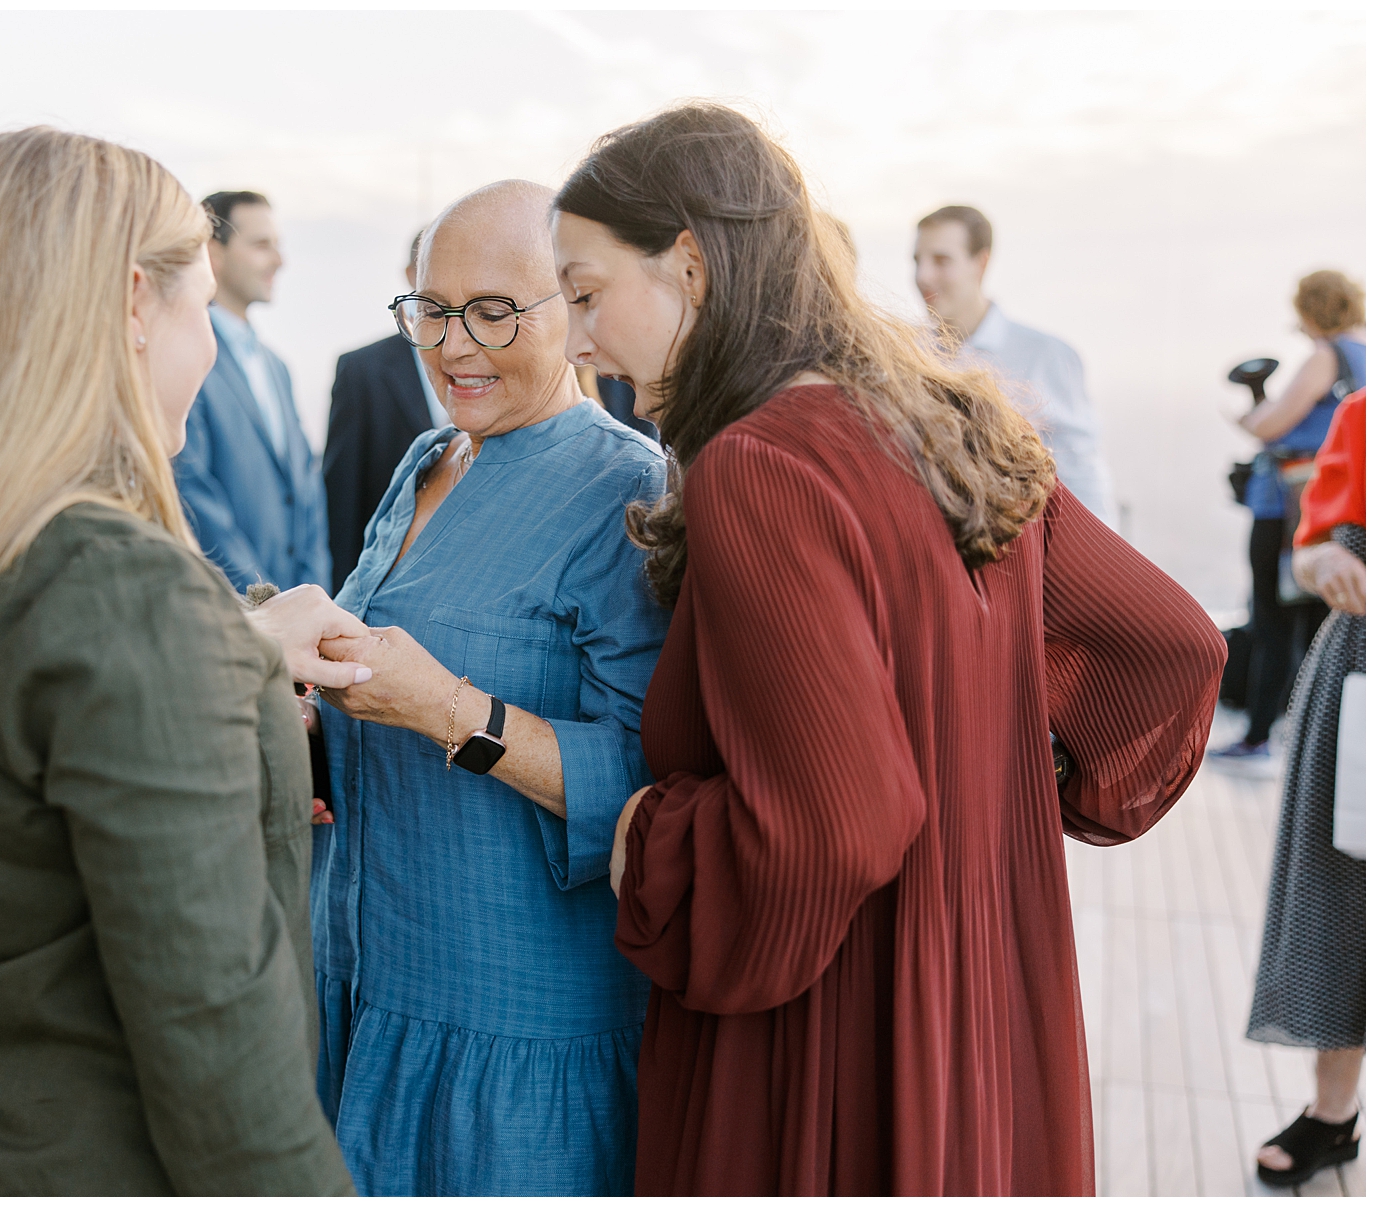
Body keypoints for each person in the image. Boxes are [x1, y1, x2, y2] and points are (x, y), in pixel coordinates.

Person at [552, 103, 1226, 1195]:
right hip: (991, 996)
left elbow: (839, 817)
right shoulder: (947, 422)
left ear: (689, 264)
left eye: (585, 294)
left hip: (834, 1028)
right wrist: (1002, 781)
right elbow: (1173, 644)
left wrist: (651, 834)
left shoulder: (759, 468)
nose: (577, 340)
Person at [0, 128, 353, 1195]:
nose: (214, 350)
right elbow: (222, 1058)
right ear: (137, 303)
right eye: (202, 312)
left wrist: (232, 653)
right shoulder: (131, 601)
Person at [273, 180, 668, 1195]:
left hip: (511, 1033)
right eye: (431, 308)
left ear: (575, 314)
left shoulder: (630, 491)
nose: (452, 345)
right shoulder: (425, 457)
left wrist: (441, 706)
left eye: (493, 311)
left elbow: (649, 785)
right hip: (362, 985)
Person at [1247, 386, 1365, 1187]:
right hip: (1364, 675)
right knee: (1343, 898)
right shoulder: (1365, 415)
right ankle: (1335, 1115)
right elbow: (1309, 546)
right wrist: (1323, 558)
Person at [1215, 270, 1366, 763]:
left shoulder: (1326, 356)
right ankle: (1308, 737)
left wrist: (1248, 417)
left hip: (1288, 509)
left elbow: (1271, 425)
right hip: (1343, 517)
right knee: (1320, 626)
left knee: (1271, 621)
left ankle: (1260, 735)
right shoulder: (1363, 354)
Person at [914, 204, 1118, 526]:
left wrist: (1105, 569)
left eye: (941, 260)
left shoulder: (1047, 356)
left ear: (981, 263)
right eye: (917, 261)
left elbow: (1082, 480)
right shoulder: (904, 354)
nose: (922, 276)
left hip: (1016, 559)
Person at [174, 190, 330, 591]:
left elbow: (307, 493)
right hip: (234, 612)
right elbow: (193, 494)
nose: (279, 261)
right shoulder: (182, 355)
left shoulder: (277, 368)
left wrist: (313, 598)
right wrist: (267, 604)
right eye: (262, 245)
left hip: (300, 615)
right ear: (214, 253)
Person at [323, 231, 446, 593]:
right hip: (385, 581)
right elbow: (343, 495)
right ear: (411, 274)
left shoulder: (489, 360)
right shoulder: (362, 369)